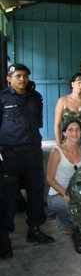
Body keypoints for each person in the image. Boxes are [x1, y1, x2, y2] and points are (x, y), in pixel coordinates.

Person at [0, 64, 54, 259]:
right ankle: (4, 235)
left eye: (25, 76)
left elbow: (37, 123)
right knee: (7, 195)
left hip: (32, 152)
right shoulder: (3, 99)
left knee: (36, 190)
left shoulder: (35, 97)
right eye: (18, 76)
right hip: (11, 153)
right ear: (9, 79)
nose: (22, 79)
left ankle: (35, 228)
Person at [47, 119, 81, 235]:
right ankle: (64, 220)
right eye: (70, 130)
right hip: (58, 194)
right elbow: (50, 178)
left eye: (77, 130)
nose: (74, 133)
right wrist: (65, 193)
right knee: (75, 206)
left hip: (78, 191)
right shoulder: (56, 151)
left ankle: (73, 218)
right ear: (64, 133)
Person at [53, 72, 81, 144]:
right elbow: (57, 124)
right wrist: (59, 144)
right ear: (72, 84)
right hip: (67, 139)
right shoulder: (62, 100)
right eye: (79, 82)